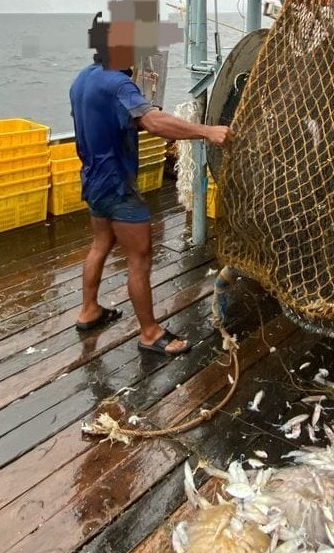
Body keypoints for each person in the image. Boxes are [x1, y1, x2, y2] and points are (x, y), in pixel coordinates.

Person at [70, 51, 232, 356]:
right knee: (139, 259)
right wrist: (207, 131)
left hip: (93, 178)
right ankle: (150, 333)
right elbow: (154, 122)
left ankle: (89, 311)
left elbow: (108, 120)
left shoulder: (83, 79)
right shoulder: (119, 84)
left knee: (100, 243)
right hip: (119, 186)